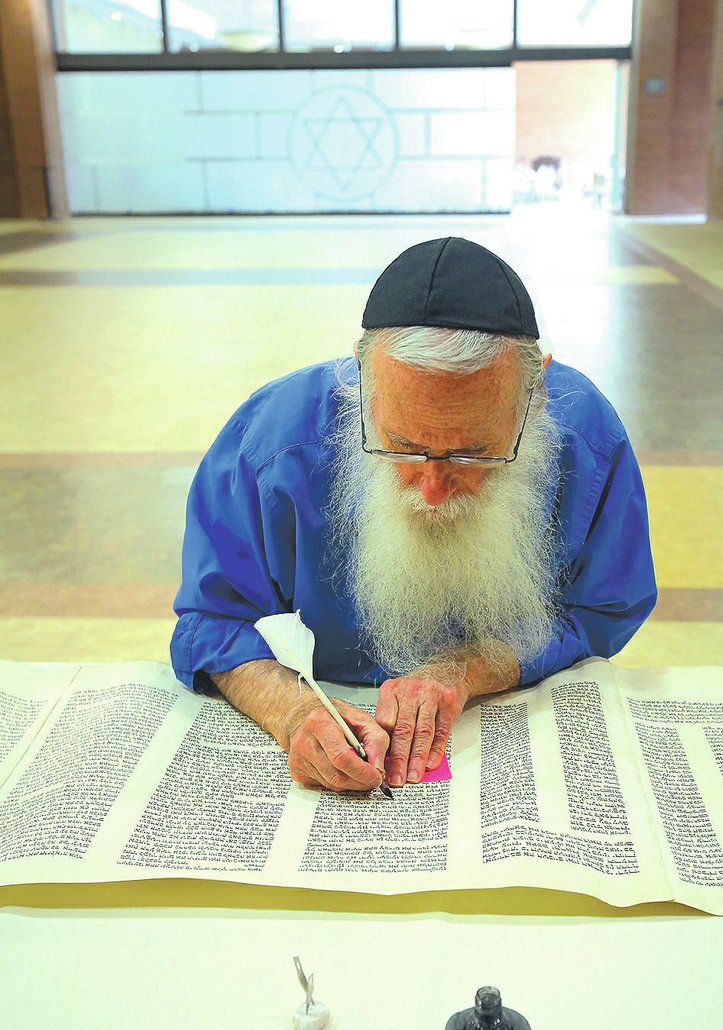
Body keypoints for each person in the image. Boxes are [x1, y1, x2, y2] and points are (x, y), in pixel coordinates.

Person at [171, 237, 657, 795]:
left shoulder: (587, 441)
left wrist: (469, 667)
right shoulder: (270, 444)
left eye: (474, 453)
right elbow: (211, 622)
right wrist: (291, 710)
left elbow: (604, 607)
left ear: (535, 393)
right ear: (362, 380)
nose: (432, 489)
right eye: (401, 445)